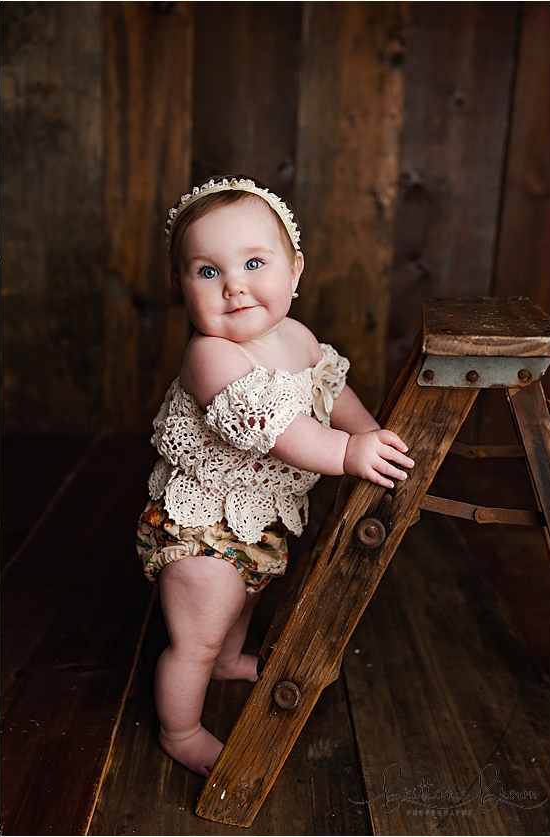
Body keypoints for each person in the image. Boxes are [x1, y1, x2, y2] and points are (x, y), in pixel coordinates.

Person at [135, 177, 414, 776]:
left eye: (253, 262)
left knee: (244, 600)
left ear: (295, 270)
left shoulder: (297, 338)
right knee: (197, 633)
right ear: (183, 287)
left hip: (256, 518)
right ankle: (179, 730)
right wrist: (347, 454)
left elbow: (331, 394)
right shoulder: (212, 356)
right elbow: (289, 435)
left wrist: (370, 434)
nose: (233, 285)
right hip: (199, 524)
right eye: (207, 272)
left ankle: (228, 659)